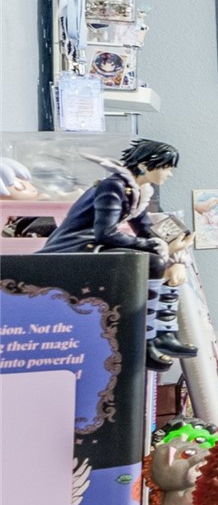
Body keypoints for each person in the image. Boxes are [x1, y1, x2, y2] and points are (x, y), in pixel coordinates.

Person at [39, 138, 197, 368]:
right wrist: (154, 247)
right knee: (153, 263)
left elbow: (144, 229)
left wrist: (170, 247)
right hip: (76, 245)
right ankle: (146, 337)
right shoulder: (113, 186)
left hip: (93, 243)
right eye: (166, 167)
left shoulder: (138, 190)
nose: (169, 174)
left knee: (164, 262)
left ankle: (163, 333)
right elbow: (105, 233)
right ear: (144, 165)